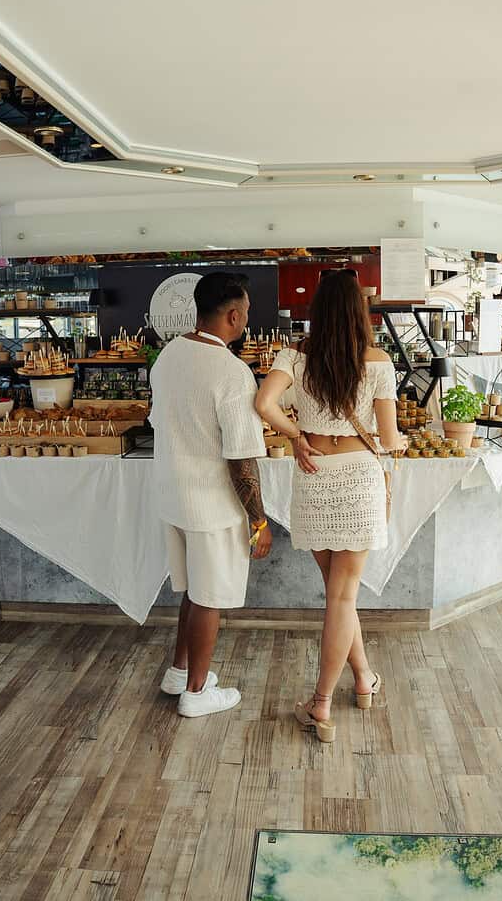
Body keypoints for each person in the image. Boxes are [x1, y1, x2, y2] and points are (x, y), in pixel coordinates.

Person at [255, 270, 406, 743]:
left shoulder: (294, 356)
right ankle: (321, 703)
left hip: (316, 474)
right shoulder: (378, 361)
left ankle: (363, 679)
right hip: (359, 477)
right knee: (343, 597)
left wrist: (296, 435)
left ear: (317, 309)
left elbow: (263, 403)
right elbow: (388, 438)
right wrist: (399, 443)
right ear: (361, 312)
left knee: (339, 594)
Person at [150, 271, 272, 718]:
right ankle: (197, 695)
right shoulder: (232, 372)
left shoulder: (168, 356)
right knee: (209, 597)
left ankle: (180, 671)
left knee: (194, 590)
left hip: (173, 495)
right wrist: (258, 520)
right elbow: (242, 459)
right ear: (235, 315)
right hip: (211, 503)